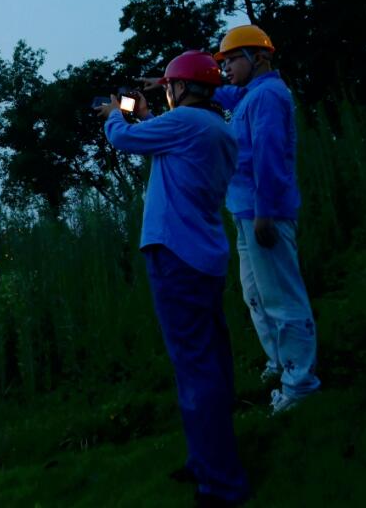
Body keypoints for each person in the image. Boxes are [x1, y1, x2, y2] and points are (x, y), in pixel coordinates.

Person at [99, 50, 249, 507]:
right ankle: (208, 458)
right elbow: (159, 140)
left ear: (182, 89)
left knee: (194, 366)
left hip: (176, 256)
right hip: (204, 256)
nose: (166, 93)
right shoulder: (217, 129)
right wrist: (146, 115)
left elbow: (124, 139)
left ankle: (220, 483)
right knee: (212, 361)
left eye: (169, 86)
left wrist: (113, 117)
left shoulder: (186, 124)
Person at [213, 24, 320, 414]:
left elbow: (270, 157)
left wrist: (266, 212)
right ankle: (281, 364)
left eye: (230, 60)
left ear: (258, 57)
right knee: (256, 296)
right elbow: (222, 92)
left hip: (263, 214)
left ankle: (300, 385)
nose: (224, 69)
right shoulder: (249, 96)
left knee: (281, 298)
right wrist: (176, 81)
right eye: (220, 63)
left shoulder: (269, 96)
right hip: (245, 213)